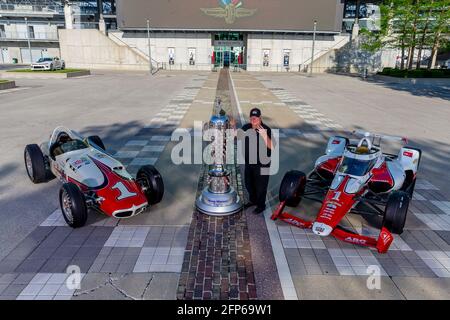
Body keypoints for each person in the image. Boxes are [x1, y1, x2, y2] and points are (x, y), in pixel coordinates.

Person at [232, 108, 272, 215]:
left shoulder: (266, 129)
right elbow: (236, 135)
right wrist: (233, 126)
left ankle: (261, 205)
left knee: (261, 187)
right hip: (249, 163)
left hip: (262, 164)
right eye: (252, 118)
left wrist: (264, 135)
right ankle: (253, 200)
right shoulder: (247, 127)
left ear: (260, 118)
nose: (253, 120)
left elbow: (271, 146)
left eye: (256, 118)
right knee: (249, 184)